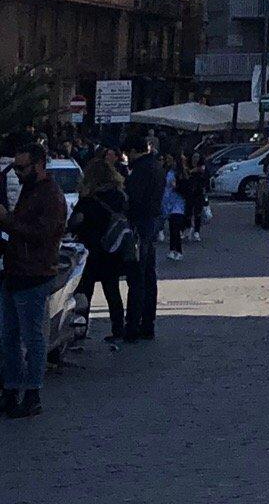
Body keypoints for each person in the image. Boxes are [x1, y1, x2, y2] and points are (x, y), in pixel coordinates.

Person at [0, 139, 68, 418]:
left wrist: (6, 220)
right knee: (9, 337)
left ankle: (31, 393)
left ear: (38, 165)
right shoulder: (29, 191)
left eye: (22, 167)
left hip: (34, 274)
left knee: (32, 337)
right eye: (15, 167)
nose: (17, 172)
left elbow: (42, 235)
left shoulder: (50, 195)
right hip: (14, 272)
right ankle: (11, 388)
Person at [74, 153, 129, 347]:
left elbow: (75, 222)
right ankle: (118, 329)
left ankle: (79, 330)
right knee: (112, 291)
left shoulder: (88, 200)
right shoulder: (119, 196)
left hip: (90, 250)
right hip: (112, 249)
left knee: (83, 292)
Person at [123, 134, 166, 341]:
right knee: (149, 276)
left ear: (133, 151)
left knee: (137, 277)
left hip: (140, 225)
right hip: (152, 223)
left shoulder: (141, 170)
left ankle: (133, 324)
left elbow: (134, 200)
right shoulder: (156, 167)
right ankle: (147, 323)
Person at [162, 154, 188, 261]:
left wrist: (176, 186)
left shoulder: (181, 175)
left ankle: (177, 250)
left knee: (175, 228)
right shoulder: (168, 172)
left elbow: (184, 188)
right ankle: (173, 250)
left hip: (178, 204)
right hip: (168, 202)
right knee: (172, 228)